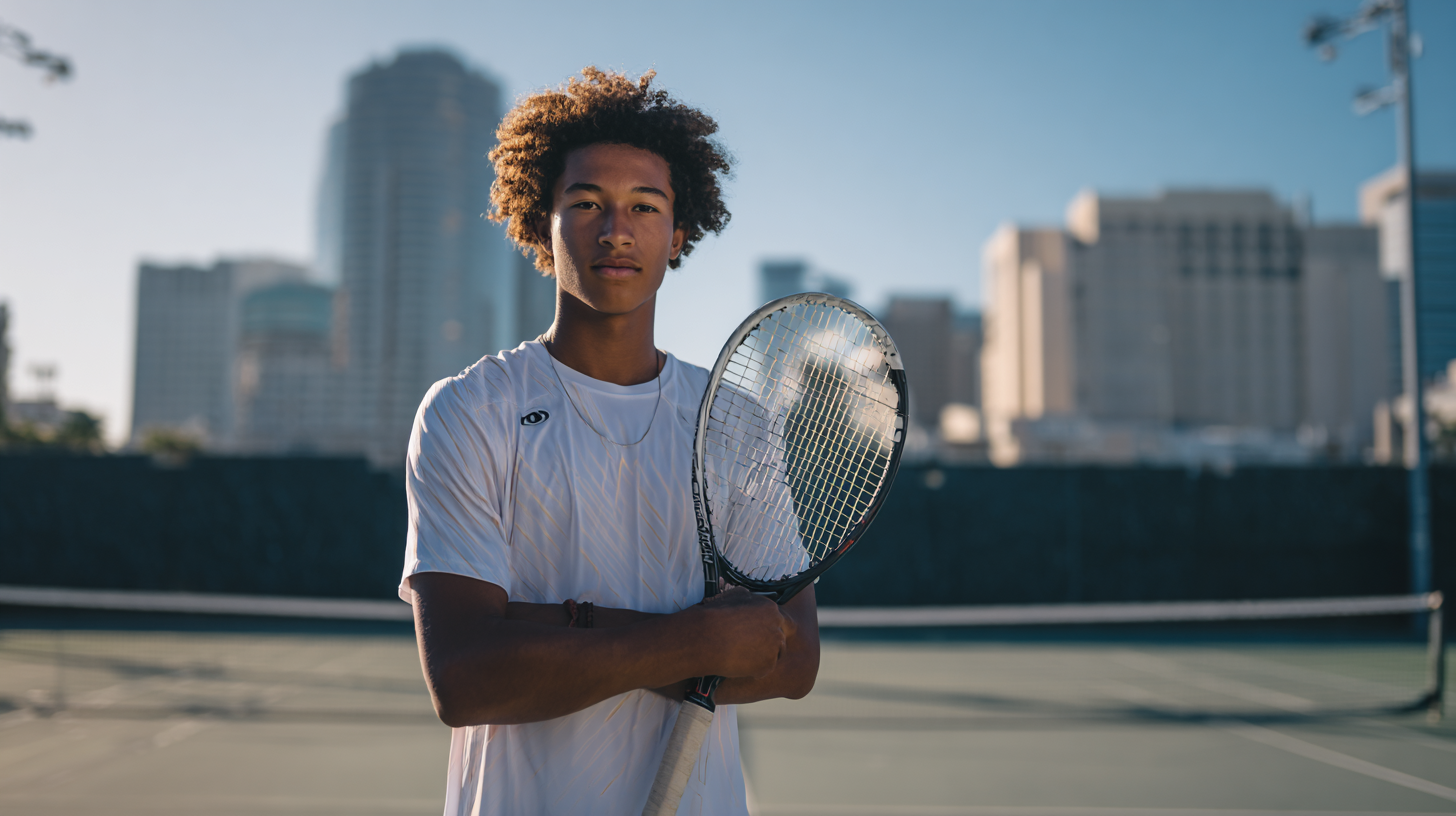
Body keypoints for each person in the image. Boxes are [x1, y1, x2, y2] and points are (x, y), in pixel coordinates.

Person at [401, 68, 820, 816]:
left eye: (644, 206)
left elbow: (792, 658)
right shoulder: (469, 409)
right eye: (586, 202)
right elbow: (465, 676)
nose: (616, 229)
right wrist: (698, 641)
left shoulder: (736, 418)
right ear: (542, 223)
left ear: (677, 234)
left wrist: (550, 626)